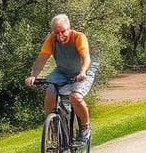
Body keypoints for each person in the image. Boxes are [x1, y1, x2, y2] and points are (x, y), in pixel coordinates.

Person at [25, 14, 98, 145]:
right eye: (56, 32)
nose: (60, 36)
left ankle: (85, 127)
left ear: (70, 28)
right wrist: (33, 75)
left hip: (83, 70)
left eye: (63, 31)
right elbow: (42, 58)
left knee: (75, 97)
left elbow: (86, 58)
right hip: (63, 70)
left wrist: (82, 72)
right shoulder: (51, 39)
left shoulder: (79, 37)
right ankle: (55, 128)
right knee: (50, 91)